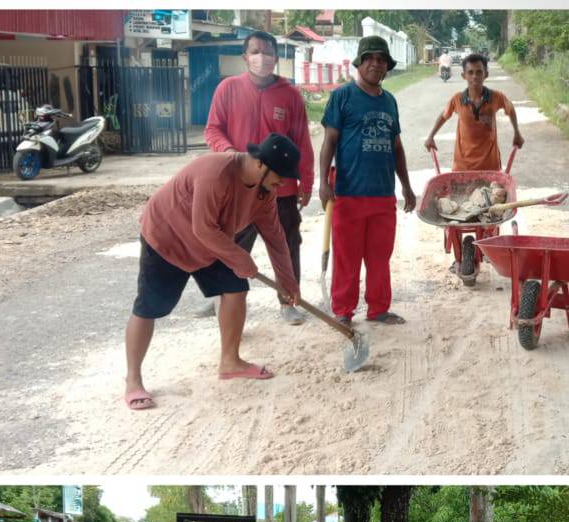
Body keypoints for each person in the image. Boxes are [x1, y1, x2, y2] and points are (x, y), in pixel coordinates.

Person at [124, 134, 304, 411]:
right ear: (259, 164)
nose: (282, 184)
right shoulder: (216, 173)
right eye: (280, 177)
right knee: (149, 306)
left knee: (236, 289)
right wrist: (240, 258)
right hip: (168, 238)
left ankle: (230, 361)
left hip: (213, 244)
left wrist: (288, 283)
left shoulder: (264, 190)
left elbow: (275, 238)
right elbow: (203, 228)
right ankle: (133, 380)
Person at [205, 29, 314, 326]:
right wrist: (230, 153)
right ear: (245, 57)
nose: (261, 58)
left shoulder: (290, 94)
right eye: (255, 52)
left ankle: (289, 301)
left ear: (276, 58)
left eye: (267, 52)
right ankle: (222, 296)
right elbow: (213, 129)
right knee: (233, 246)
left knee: (287, 246)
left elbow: (302, 141)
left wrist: (307, 181)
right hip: (240, 187)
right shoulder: (227, 89)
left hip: (282, 189)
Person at [319, 36, 417, 326]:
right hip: (348, 193)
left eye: (381, 59)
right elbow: (329, 142)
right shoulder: (343, 96)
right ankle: (343, 311)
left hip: (383, 194)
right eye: (370, 57)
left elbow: (396, 147)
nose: (376, 63)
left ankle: (378, 309)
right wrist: (323, 182)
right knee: (347, 257)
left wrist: (406, 186)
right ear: (359, 63)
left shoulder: (390, 102)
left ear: (387, 66)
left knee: (379, 257)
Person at [424, 52, 523, 172]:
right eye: (470, 72)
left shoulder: (496, 97)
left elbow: (511, 109)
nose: (474, 76)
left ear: (486, 74)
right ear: (463, 75)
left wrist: (517, 132)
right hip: (462, 167)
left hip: (490, 165)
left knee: (492, 191)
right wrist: (431, 136)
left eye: (479, 72)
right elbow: (444, 116)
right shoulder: (457, 99)